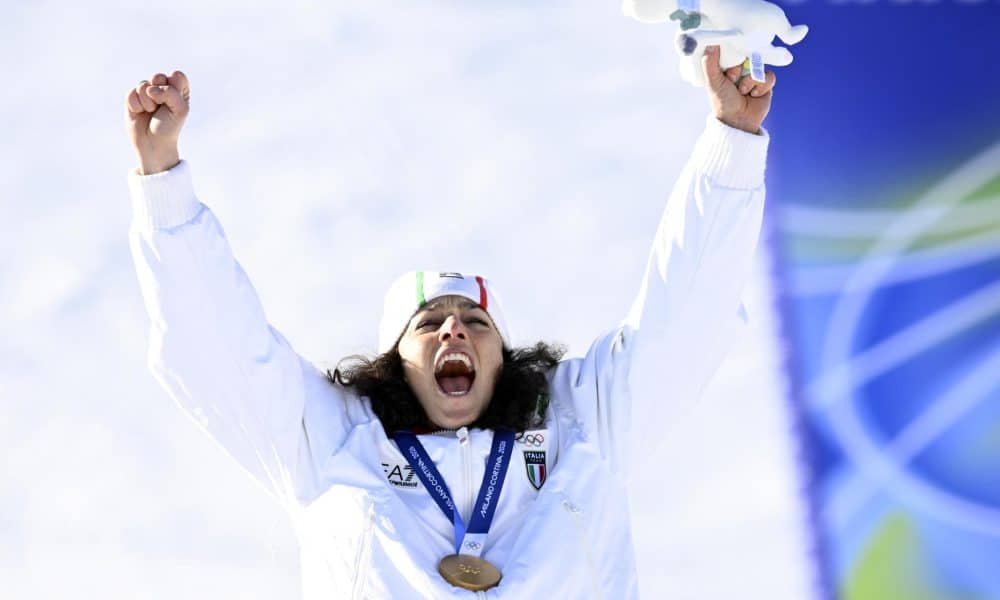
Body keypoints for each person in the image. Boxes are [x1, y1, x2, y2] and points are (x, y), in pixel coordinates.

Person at [124, 44, 775, 598]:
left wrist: (732, 141)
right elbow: (222, 346)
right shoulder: (327, 443)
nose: (454, 330)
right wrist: (163, 185)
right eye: (428, 321)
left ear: (504, 357)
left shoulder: (582, 427)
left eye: (474, 321)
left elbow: (684, 318)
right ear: (392, 361)